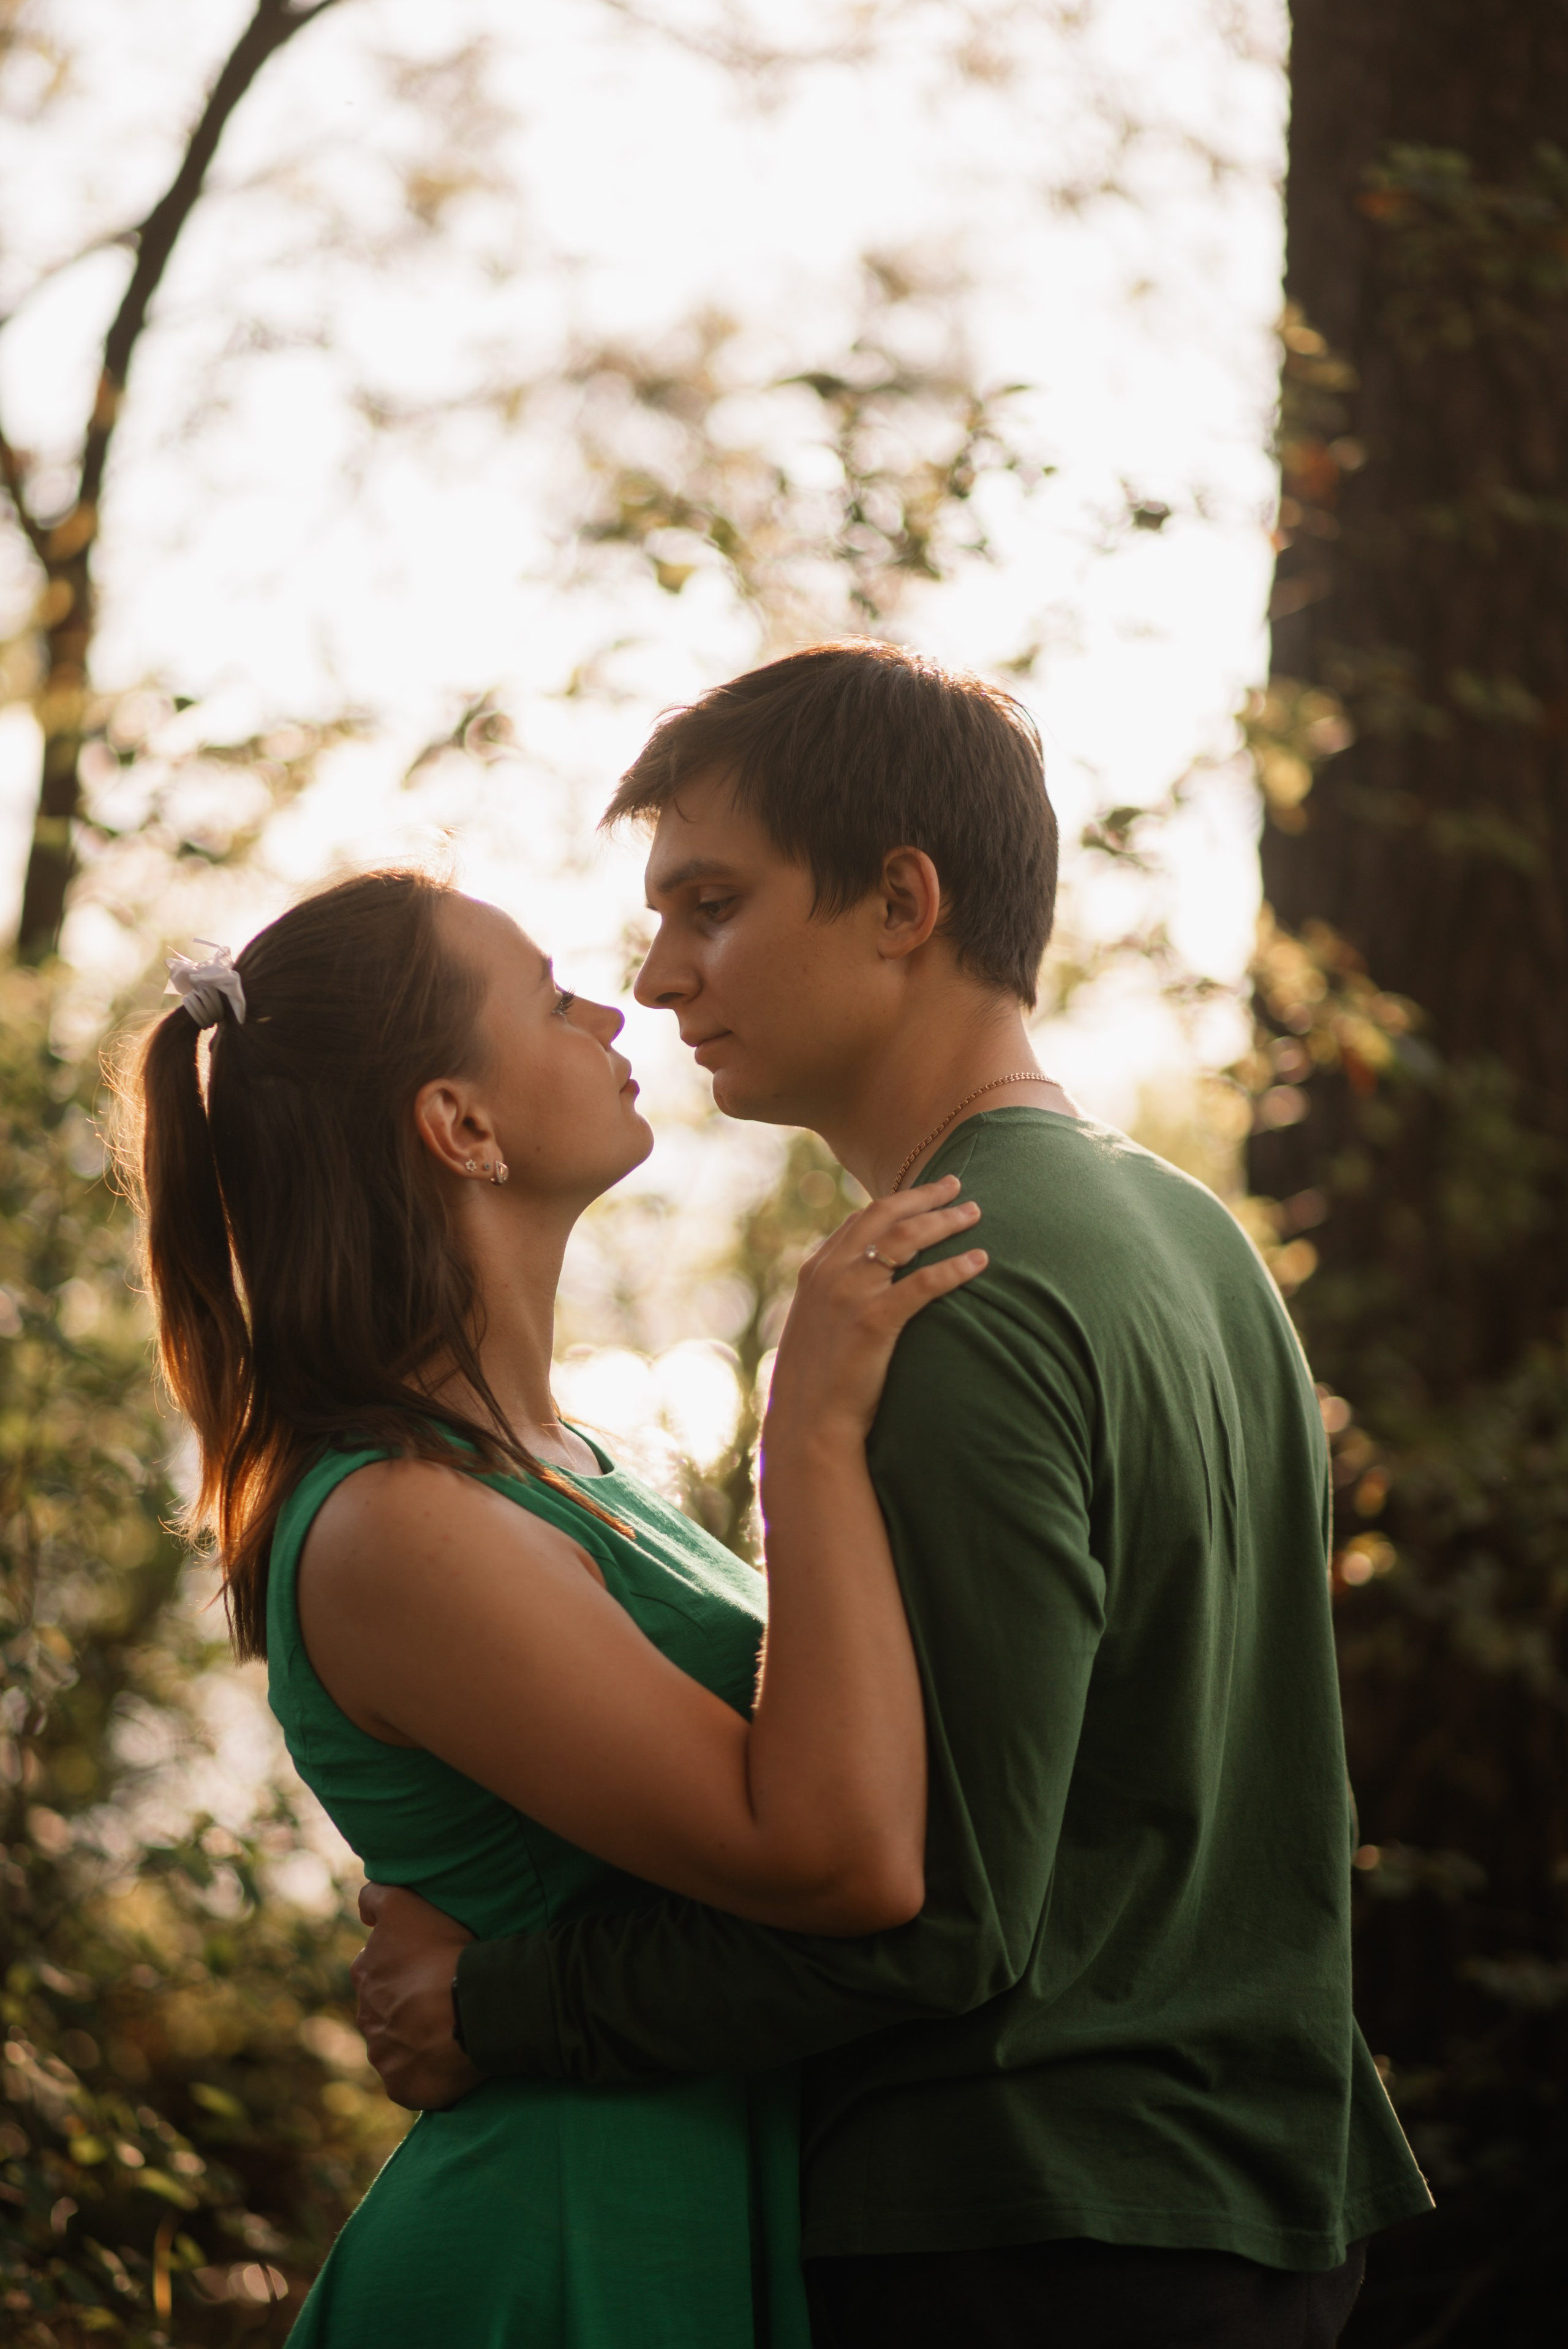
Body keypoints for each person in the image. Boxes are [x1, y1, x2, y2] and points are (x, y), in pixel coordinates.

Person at [352, 640, 1434, 2349]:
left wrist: (496, 1999)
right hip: (1258, 2207)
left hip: (1032, 2237)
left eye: (712, 904)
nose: (657, 972)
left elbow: (926, 1911)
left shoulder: (945, 1293)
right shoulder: (1196, 1234)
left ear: (902, 901)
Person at [127, 864, 992, 2347]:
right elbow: (834, 1854)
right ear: (459, 1125)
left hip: (697, 2216)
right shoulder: (398, 1522)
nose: (612, 1008)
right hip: (560, 2251)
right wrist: (804, 1434)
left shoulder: (560, 1464)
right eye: (547, 998)